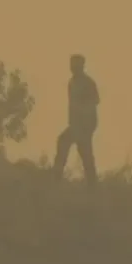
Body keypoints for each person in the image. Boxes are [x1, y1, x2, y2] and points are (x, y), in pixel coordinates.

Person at [53, 54, 99, 185]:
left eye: (75, 65)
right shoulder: (71, 82)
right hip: (75, 124)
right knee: (81, 151)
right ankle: (57, 176)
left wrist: (85, 122)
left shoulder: (87, 82)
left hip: (85, 124)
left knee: (82, 151)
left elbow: (95, 100)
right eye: (71, 64)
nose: (72, 67)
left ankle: (57, 177)